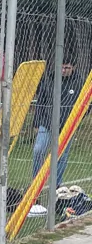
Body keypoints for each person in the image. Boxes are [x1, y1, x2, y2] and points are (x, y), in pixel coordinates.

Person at [32, 58, 81, 186]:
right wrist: (36, 123)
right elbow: (40, 103)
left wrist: (77, 118)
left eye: (67, 68)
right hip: (47, 124)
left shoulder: (79, 83)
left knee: (62, 156)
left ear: (73, 68)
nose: (63, 70)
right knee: (38, 150)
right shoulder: (48, 80)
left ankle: (57, 184)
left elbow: (87, 105)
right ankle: (36, 182)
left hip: (67, 126)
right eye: (62, 67)